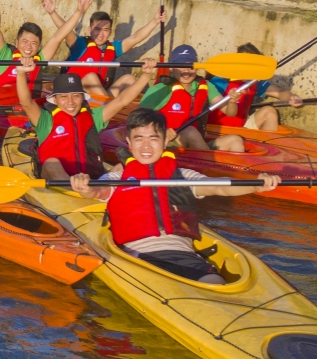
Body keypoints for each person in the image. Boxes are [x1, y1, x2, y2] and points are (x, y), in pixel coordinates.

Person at [70, 108, 279, 283]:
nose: (145, 146)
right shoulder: (117, 177)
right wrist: (84, 186)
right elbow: (96, 191)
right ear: (129, 142)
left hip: (184, 257)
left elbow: (220, 187)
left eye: (153, 139)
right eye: (139, 139)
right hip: (138, 258)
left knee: (216, 283)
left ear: (164, 141)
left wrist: (256, 185)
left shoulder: (182, 176)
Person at [15, 55, 156, 180]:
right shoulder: (45, 119)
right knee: (52, 163)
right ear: (55, 100)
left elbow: (122, 101)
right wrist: (21, 73)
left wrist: (145, 76)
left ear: (82, 98)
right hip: (56, 179)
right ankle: (78, 191)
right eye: (64, 96)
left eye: (76, 96)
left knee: (127, 164)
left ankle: (98, 190)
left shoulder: (94, 117)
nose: (70, 102)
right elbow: (26, 102)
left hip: (91, 180)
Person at [136, 44, 247, 153]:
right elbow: (137, 118)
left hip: (197, 144)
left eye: (190, 66)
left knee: (236, 140)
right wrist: (161, 130)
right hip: (168, 144)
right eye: (181, 66)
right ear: (171, 68)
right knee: (190, 132)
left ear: (197, 67)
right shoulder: (161, 88)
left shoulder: (206, 86)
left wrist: (232, 101)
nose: (186, 71)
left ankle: (230, 170)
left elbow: (230, 112)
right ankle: (212, 165)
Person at [56, 0, 164, 93]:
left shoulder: (113, 48)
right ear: (89, 30)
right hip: (77, 92)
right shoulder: (80, 44)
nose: (101, 34)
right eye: (97, 29)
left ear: (110, 32)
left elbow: (135, 38)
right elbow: (65, 30)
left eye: (105, 30)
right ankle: (108, 108)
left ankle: (114, 106)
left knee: (129, 78)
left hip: (100, 94)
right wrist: (53, 13)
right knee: (91, 77)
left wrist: (155, 21)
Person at [0, 0, 71, 94]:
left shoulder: (40, 60)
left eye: (34, 43)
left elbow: (59, 36)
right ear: (17, 43)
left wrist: (55, 13)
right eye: (25, 41)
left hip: (27, 108)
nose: (29, 47)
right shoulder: (4, 55)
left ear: (39, 46)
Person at [208, 42, 304, 132]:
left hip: (242, 126)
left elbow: (279, 92)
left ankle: (269, 147)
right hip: (218, 129)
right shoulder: (220, 81)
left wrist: (291, 97)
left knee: (269, 111)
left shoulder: (255, 81)